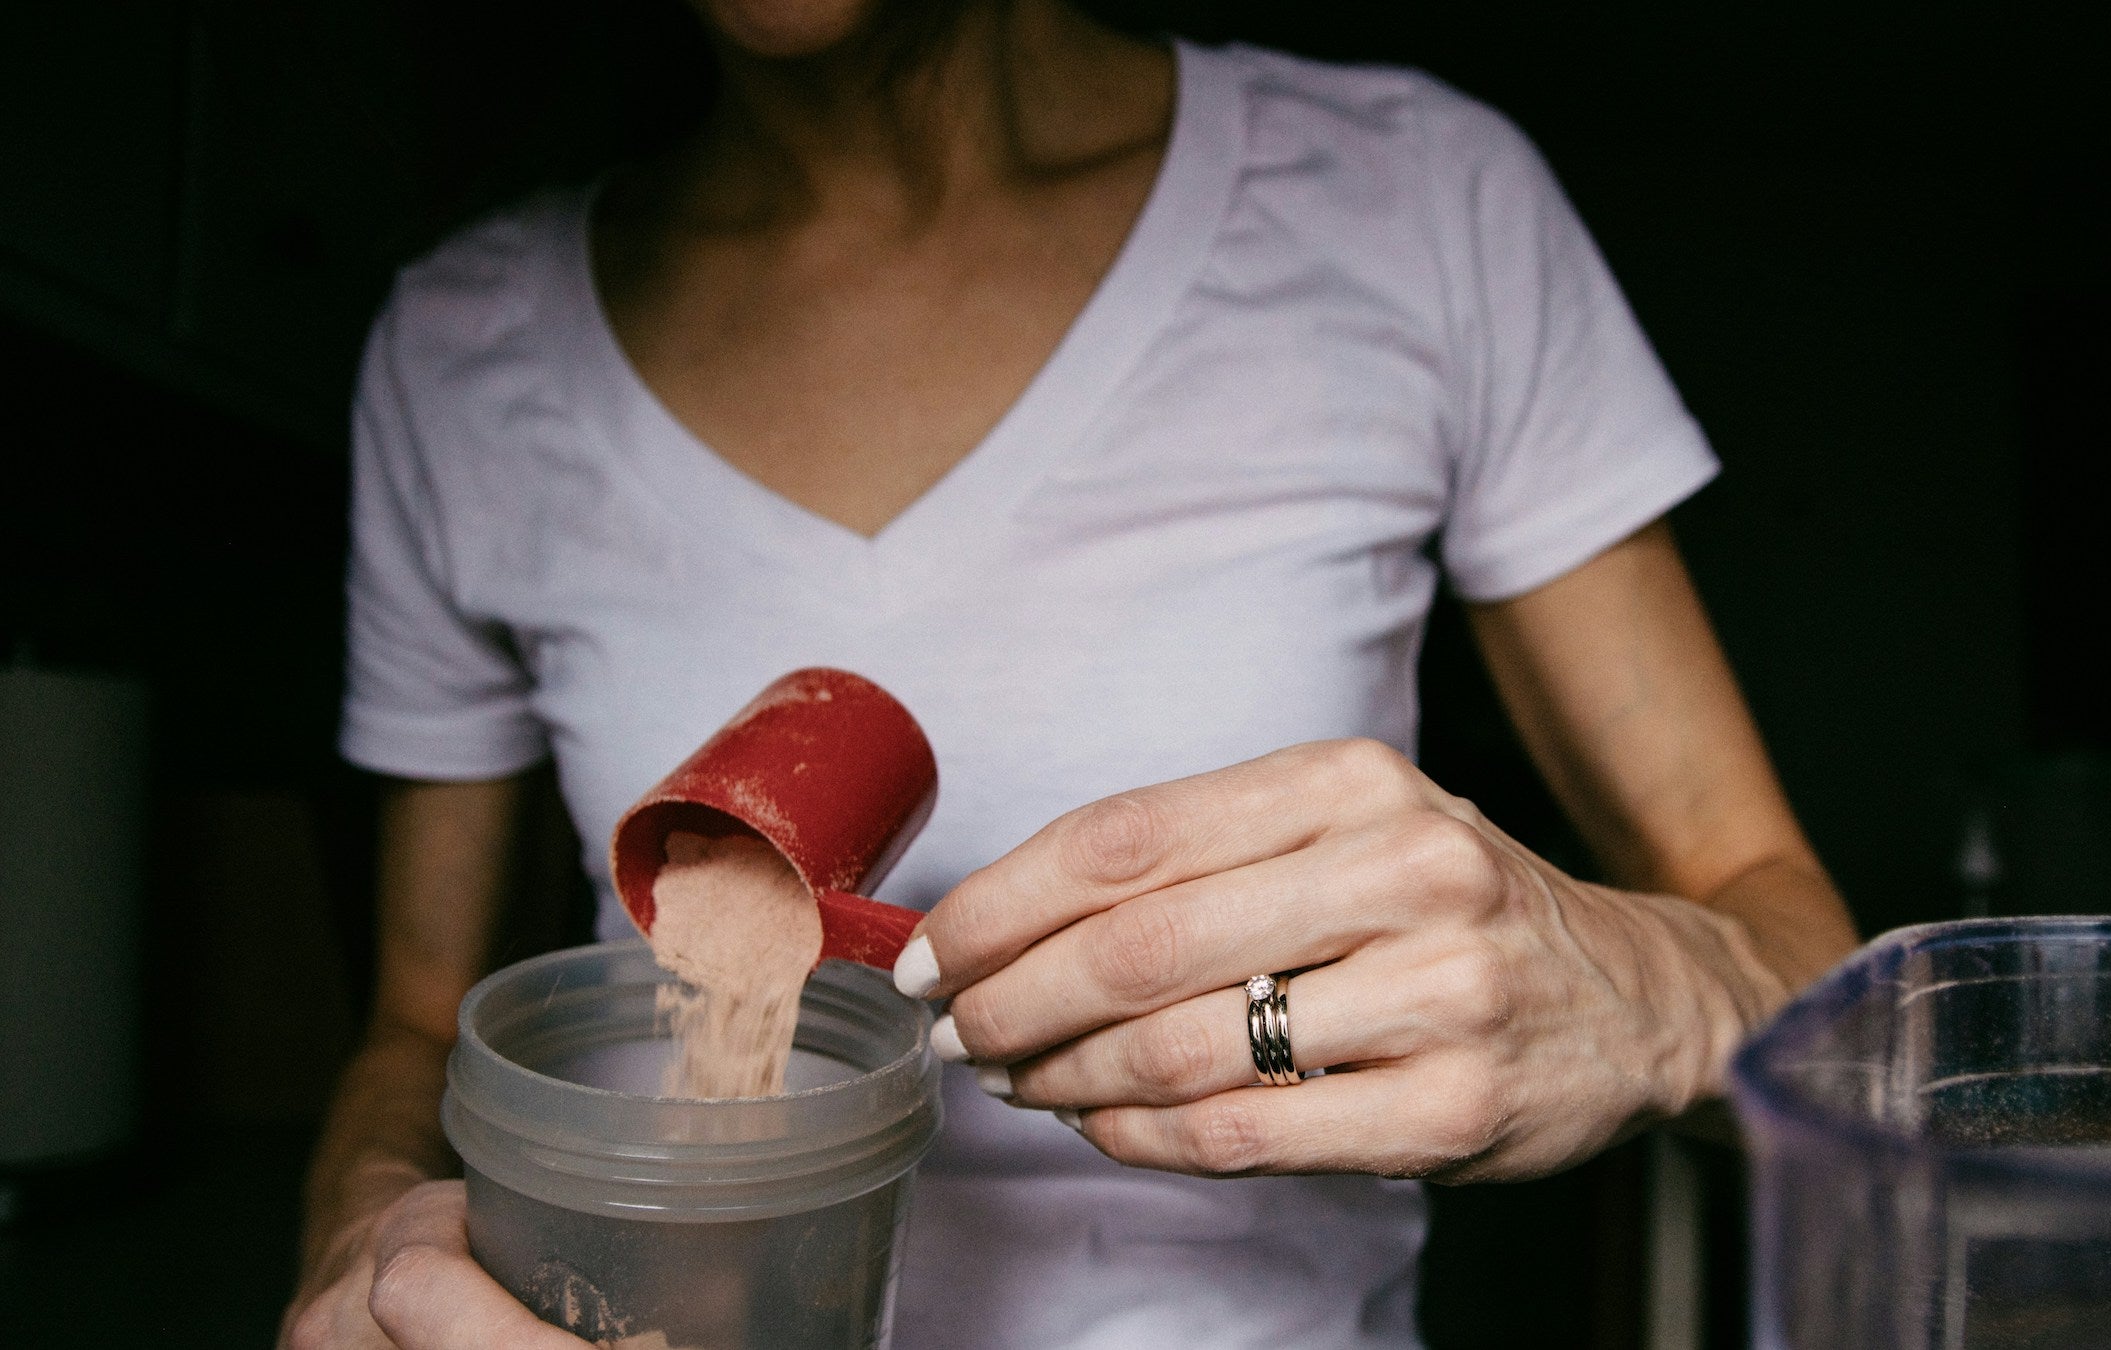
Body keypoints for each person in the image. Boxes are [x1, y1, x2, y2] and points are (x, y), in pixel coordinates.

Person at [280, 0, 1859, 1345]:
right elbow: (422, 1021)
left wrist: (1650, 991)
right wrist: (364, 1236)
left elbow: (1786, 930)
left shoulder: (1416, 203)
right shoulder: (461, 352)